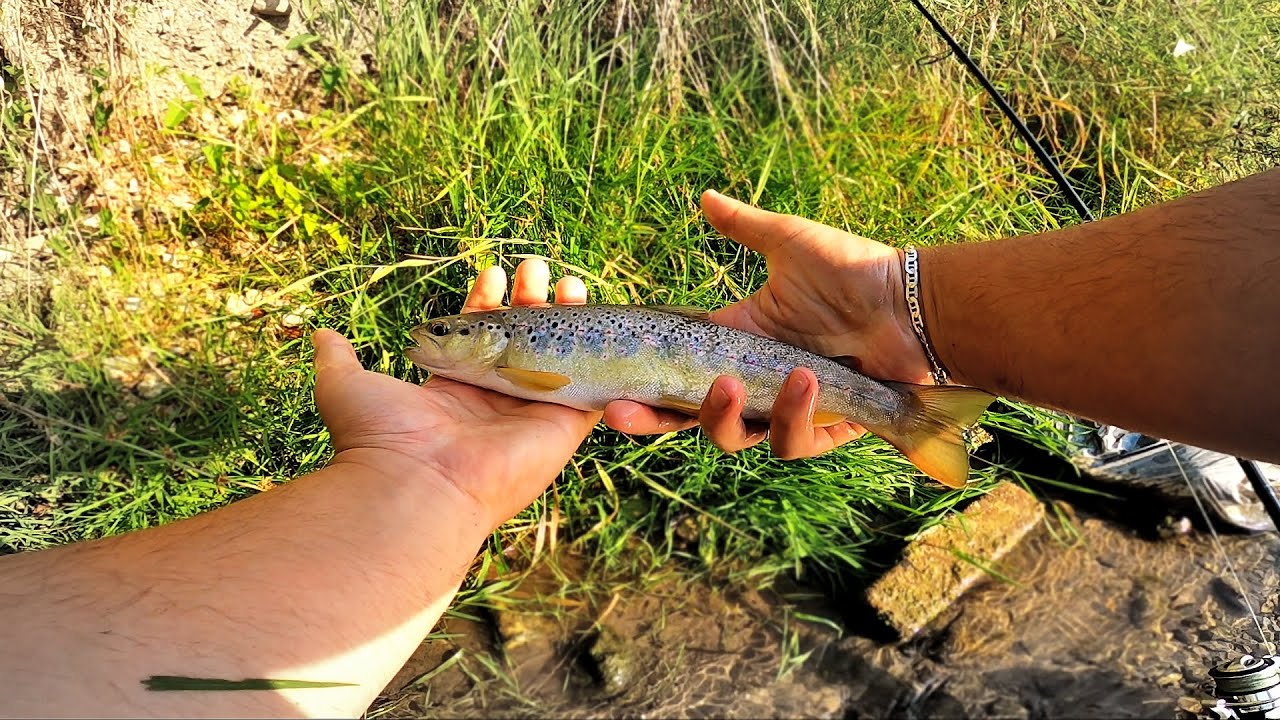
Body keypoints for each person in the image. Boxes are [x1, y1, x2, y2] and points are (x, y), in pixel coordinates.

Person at [0, 168, 1276, 718]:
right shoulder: (511, 368)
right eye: (446, 336)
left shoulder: (522, 358)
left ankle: (905, 411)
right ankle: (907, 407)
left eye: (449, 332)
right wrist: (423, 477)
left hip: (780, 369)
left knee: (766, 387)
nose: (439, 342)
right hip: (770, 366)